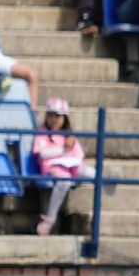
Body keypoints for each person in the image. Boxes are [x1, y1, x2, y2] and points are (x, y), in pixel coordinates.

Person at [32, 97, 92, 236]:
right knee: (64, 181)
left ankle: (106, 182)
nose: (54, 119)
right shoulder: (42, 133)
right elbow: (42, 154)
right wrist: (63, 148)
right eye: (51, 115)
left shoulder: (68, 135)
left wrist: (71, 155)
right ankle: (49, 219)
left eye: (58, 116)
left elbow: (79, 155)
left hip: (70, 166)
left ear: (65, 118)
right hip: (51, 167)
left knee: (89, 172)